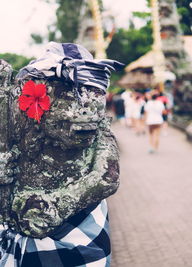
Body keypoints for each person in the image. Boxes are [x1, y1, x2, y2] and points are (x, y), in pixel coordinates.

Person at [0, 42, 123, 267]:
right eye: (69, 99)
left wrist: (58, 204)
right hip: (21, 228)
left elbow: (107, 178)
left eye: (93, 100)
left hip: (80, 224)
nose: (84, 112)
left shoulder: (101, 133)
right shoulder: (23, 126)